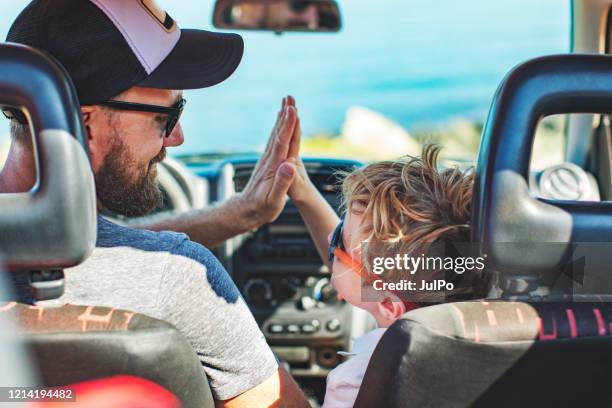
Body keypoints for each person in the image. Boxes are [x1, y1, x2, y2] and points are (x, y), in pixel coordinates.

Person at [1, 0, 308, 406]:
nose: (177, 138)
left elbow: (105, 246)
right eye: (167, 116)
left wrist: (240, 214)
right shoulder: (177, 275)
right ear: (85, 125)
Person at [286, 144, 491, 407]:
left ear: (387, 305)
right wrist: (305, 195)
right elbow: (365, 274)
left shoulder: (354, 385)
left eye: (339, 242)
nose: (329, 237)